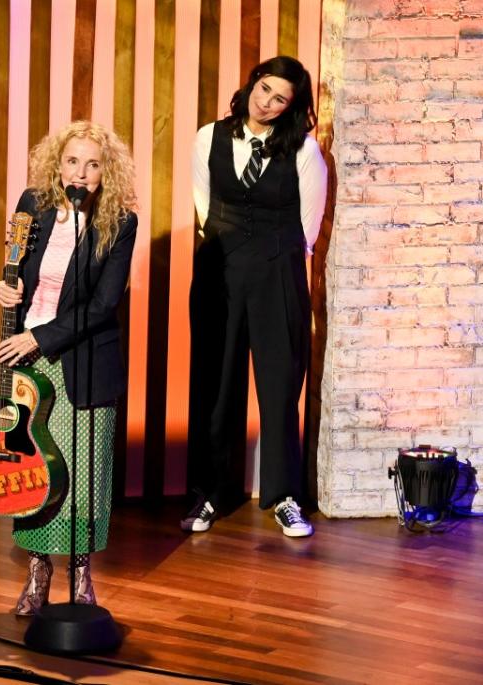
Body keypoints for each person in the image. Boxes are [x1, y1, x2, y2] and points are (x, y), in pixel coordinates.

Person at [0, 121, 138, 615]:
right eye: (73, 161)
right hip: (28, 359)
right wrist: (5, 293)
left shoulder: (120, 222)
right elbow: (15, 275)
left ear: (106, 172)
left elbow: (102, 305)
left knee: (83, 473)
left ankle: (81, 576)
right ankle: (37, 571)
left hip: (84, 360)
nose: (81, 172)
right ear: (58, 163)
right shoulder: (31, 204)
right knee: (34, 469)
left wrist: (40, 335)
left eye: (93, 164)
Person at [183, 55, 327, 537]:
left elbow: (308, 228)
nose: (267, 102)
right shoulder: (209, 137)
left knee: (280, 387)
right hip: (218, 274)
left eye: (280, 98)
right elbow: (204, 206)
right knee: (215, 388)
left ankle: (284, 496)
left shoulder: (304, 152)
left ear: (292, 106)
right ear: (251, 85)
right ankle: (209, 495)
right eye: (264, 89)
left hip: (277, 275)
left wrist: (271, 255)